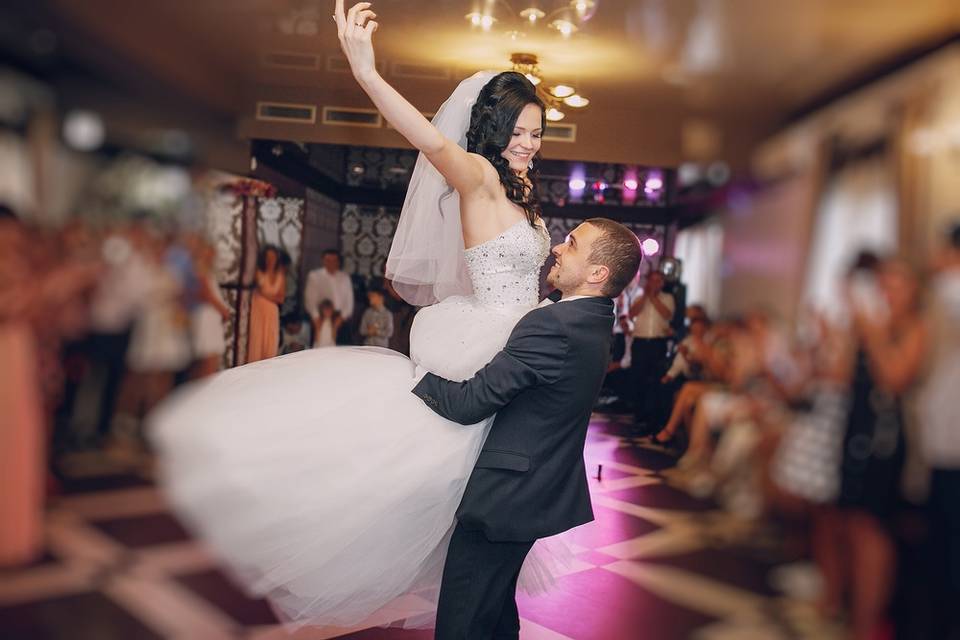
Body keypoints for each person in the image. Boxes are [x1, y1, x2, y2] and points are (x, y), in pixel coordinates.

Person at [415, 217, 641, 639]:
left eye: (572, 244)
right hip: (532, 489)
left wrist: (414, 379)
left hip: (506, 496)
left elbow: (468, 404)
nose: (557, 246)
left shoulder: (555, 326)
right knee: (493, 613)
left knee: (462, 623)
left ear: (598, 274)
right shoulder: (590, 318)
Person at [628, 270, 675, 431]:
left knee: (655, 380)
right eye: (652, 280)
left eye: (658, 280)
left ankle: (653, 418)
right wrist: (646, 297)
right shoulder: (639, 296)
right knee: (638, 379)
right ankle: (638, 416)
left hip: (657, 343)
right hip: (640, 342)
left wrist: (653, 297)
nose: (655, 283)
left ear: (662, 283)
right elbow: (632, 313)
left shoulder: (668, 298)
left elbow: (667, 315)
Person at [303, 249, 354, 342]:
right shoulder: (314, 276)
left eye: (334, 260)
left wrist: (341, 319)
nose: (331, 263)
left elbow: (349, 302)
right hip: (320, 317)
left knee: (342, 352)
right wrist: (316, 318)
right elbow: (310, 299)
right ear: (323, 261)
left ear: (338, 262)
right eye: (328, 260)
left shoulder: (345, 277)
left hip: (340, 318)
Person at [246, 245, 286, 362]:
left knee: (270, 343)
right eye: (268, 257)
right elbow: (253, 291)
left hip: (271, 312)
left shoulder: (280, 275)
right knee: (256, 341)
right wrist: (269, 296)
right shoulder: (257, 272)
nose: (270, 260)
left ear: (277, 258)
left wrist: (263, 294)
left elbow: (281, 299)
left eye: (273, 257)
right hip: (257, 311)